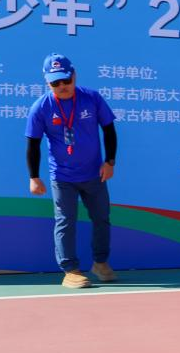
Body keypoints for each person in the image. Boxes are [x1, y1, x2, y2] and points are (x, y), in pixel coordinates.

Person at [25, 54, 118, 288]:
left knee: (102, 218)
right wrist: (34, 177)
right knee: (65, 222)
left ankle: (100, 263)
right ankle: (70, 270)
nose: (62, 86)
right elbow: (33, 144)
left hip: (95, 174)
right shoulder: (41, 107)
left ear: (74, 75)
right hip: (62, 177)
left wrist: (110, 162)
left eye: (66, 80)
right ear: (47, 82)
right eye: (55, 82)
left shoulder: (92, 98)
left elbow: (109, 129)